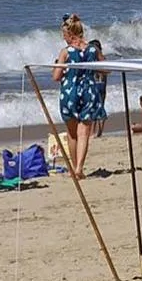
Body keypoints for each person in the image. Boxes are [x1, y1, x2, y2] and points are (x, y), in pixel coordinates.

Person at [54, 15, 107, 176]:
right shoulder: (93, 50)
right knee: (84, 133)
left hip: (69, 91)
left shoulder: (66, 52)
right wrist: (91, 68)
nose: (63, 38)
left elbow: (56, 76)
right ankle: (79, 168)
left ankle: (74, 167)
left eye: (64, 35)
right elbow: (106, 68)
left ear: (70, 34)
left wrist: (60, 68)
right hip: (89, 90)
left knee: (72, 134)